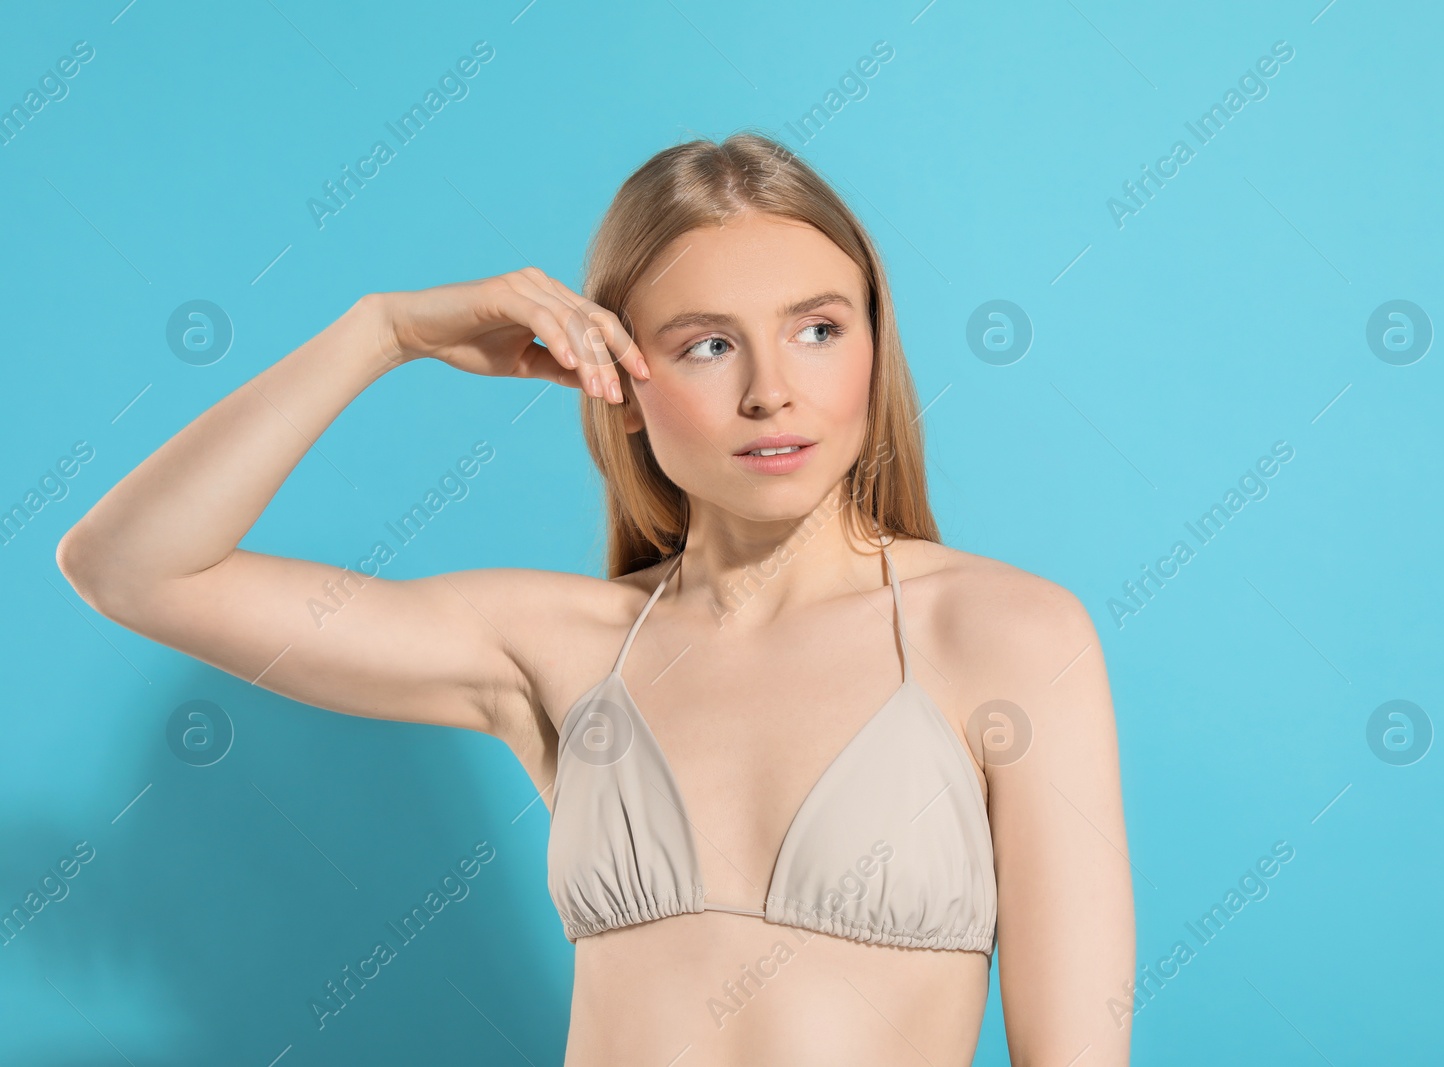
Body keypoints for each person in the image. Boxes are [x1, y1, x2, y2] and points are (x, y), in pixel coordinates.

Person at [57, 131, 1134, 1066]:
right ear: (614, 377)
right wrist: (380, 333)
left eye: (817, 328)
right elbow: (131, 568)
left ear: (873, 342)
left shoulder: (1001, 635)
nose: (772, 387)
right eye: (707, 344)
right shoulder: (563, 649)